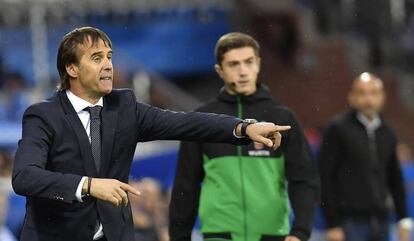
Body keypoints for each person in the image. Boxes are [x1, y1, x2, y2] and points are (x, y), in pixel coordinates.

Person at [11, 27, 291, 241]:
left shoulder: (124, 107)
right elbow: (25, 177)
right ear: (71, 68)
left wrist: (244, 127)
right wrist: (88, 184)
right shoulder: (43, 115)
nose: (108, 65)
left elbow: (187, 123)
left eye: (109, 56)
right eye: (96, 58)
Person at [169, 32, 319, 241]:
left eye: (248, 62)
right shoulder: (201, 120)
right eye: (233, 64)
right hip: (220, 236)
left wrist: (300, 233)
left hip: (272, 236)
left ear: (258, 63)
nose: (243, 71)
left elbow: (304, 180)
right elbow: (186, 186)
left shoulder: (282, 118)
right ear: (219, 70)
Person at [319, 72, 412, 241]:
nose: (368, 99)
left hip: (382, 220)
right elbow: (325, 177)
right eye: (362, 93)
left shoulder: (387, 132)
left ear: (383, 97)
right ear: (351, 97)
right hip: (349, 222)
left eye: (374, 92)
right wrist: (332, 224)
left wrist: (403, 220)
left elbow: (395, 178)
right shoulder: (337, 129)